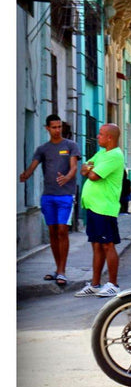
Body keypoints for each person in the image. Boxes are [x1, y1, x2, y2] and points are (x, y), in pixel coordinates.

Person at [19, 114, 80, 287]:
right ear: (47, 128)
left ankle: (62, 271)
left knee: (62, 230)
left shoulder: (70, 146)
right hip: (48, 196)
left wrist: (67, 178)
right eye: (54, 127)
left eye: (59, 127)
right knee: (53, 231)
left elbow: (74, 166)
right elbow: (33, 165)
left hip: (65, 196)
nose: (57, 130)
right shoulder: (43, 149)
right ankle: (57, 269)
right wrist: (25, 175)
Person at [75, 123, 125, 297]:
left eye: (101, 134)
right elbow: (84, 168)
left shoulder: (115, 155)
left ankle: (113, 284)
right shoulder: (101, 153)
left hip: (105, 207)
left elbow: (94, 176)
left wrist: (90, 169)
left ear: (110, 138)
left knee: (107, 245)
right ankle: (95, 284)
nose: (97, 136)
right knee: (96, 245)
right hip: (93, 207)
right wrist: (89, 168)